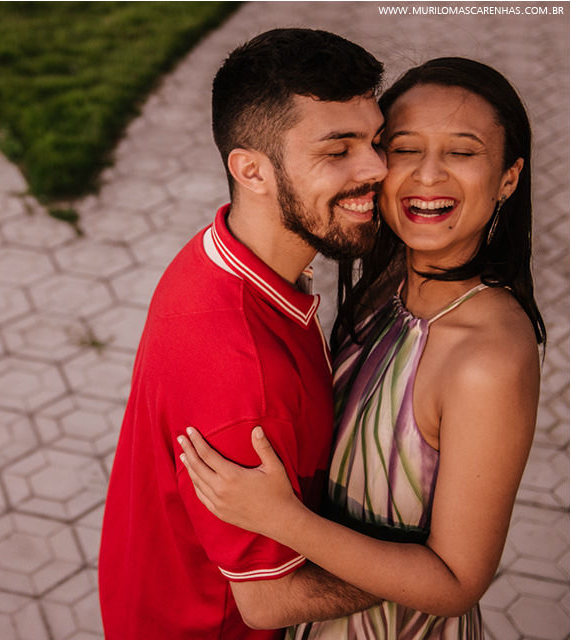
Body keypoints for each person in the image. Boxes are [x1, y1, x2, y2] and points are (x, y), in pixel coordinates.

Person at [179, 57, 546, 639]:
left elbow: (456, 583)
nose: (428, 175)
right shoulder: (386, 282)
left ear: (508, 177)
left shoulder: (488, 359)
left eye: (462, 152)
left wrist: (281, 520)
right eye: (404, 148)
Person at [98, 28, 392, 639]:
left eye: (376, 140)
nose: (377, 169)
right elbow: (268, 602)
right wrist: (429, 571)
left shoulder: (220, 252)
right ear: (251, 170)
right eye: (337, 151)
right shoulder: (246, 378)